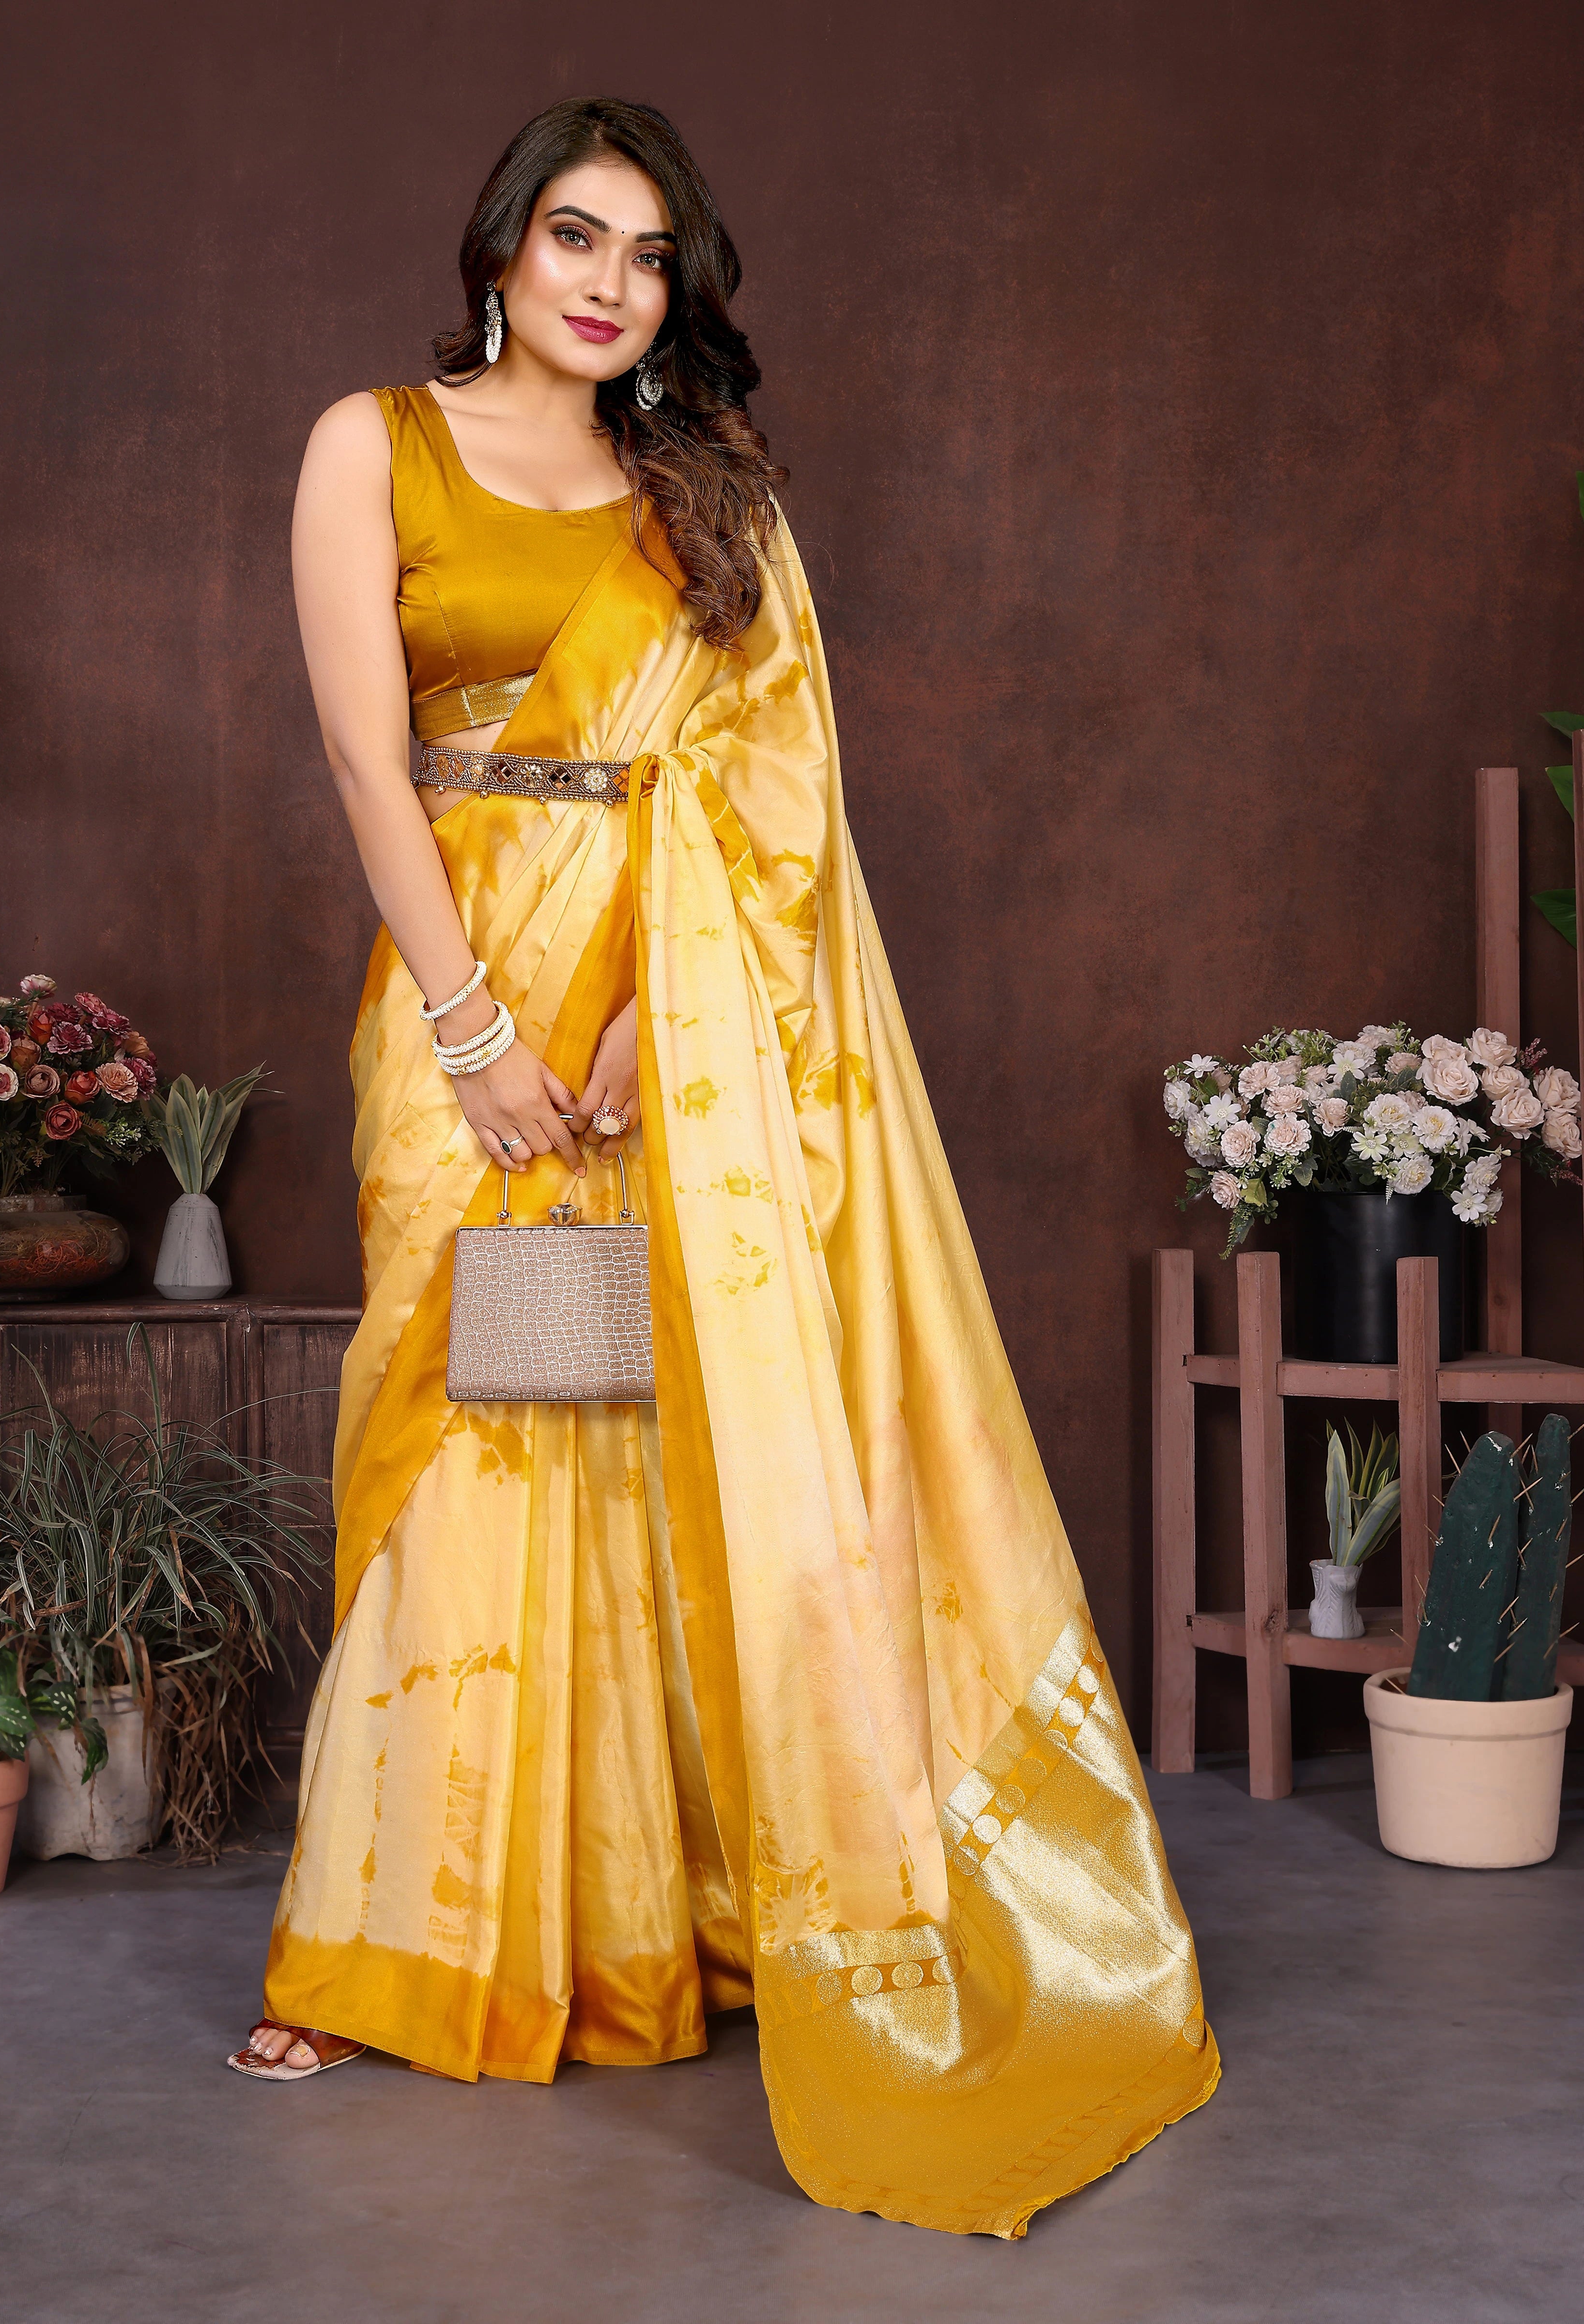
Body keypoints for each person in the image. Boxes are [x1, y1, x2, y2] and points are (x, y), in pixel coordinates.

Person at [233, 95, 1218, 2238]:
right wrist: (485, 1036)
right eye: (575, 238)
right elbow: (357, 751)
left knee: (622, 1432)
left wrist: (604, 1036)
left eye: (650, 256)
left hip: (663, 1039)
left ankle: (643, 1928)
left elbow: (755, 793)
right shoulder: (370, 443)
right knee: (464, 1437)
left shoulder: (704, 490)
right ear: (498, 249)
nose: (609, 283)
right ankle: (394, 1944)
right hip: (459, 991)